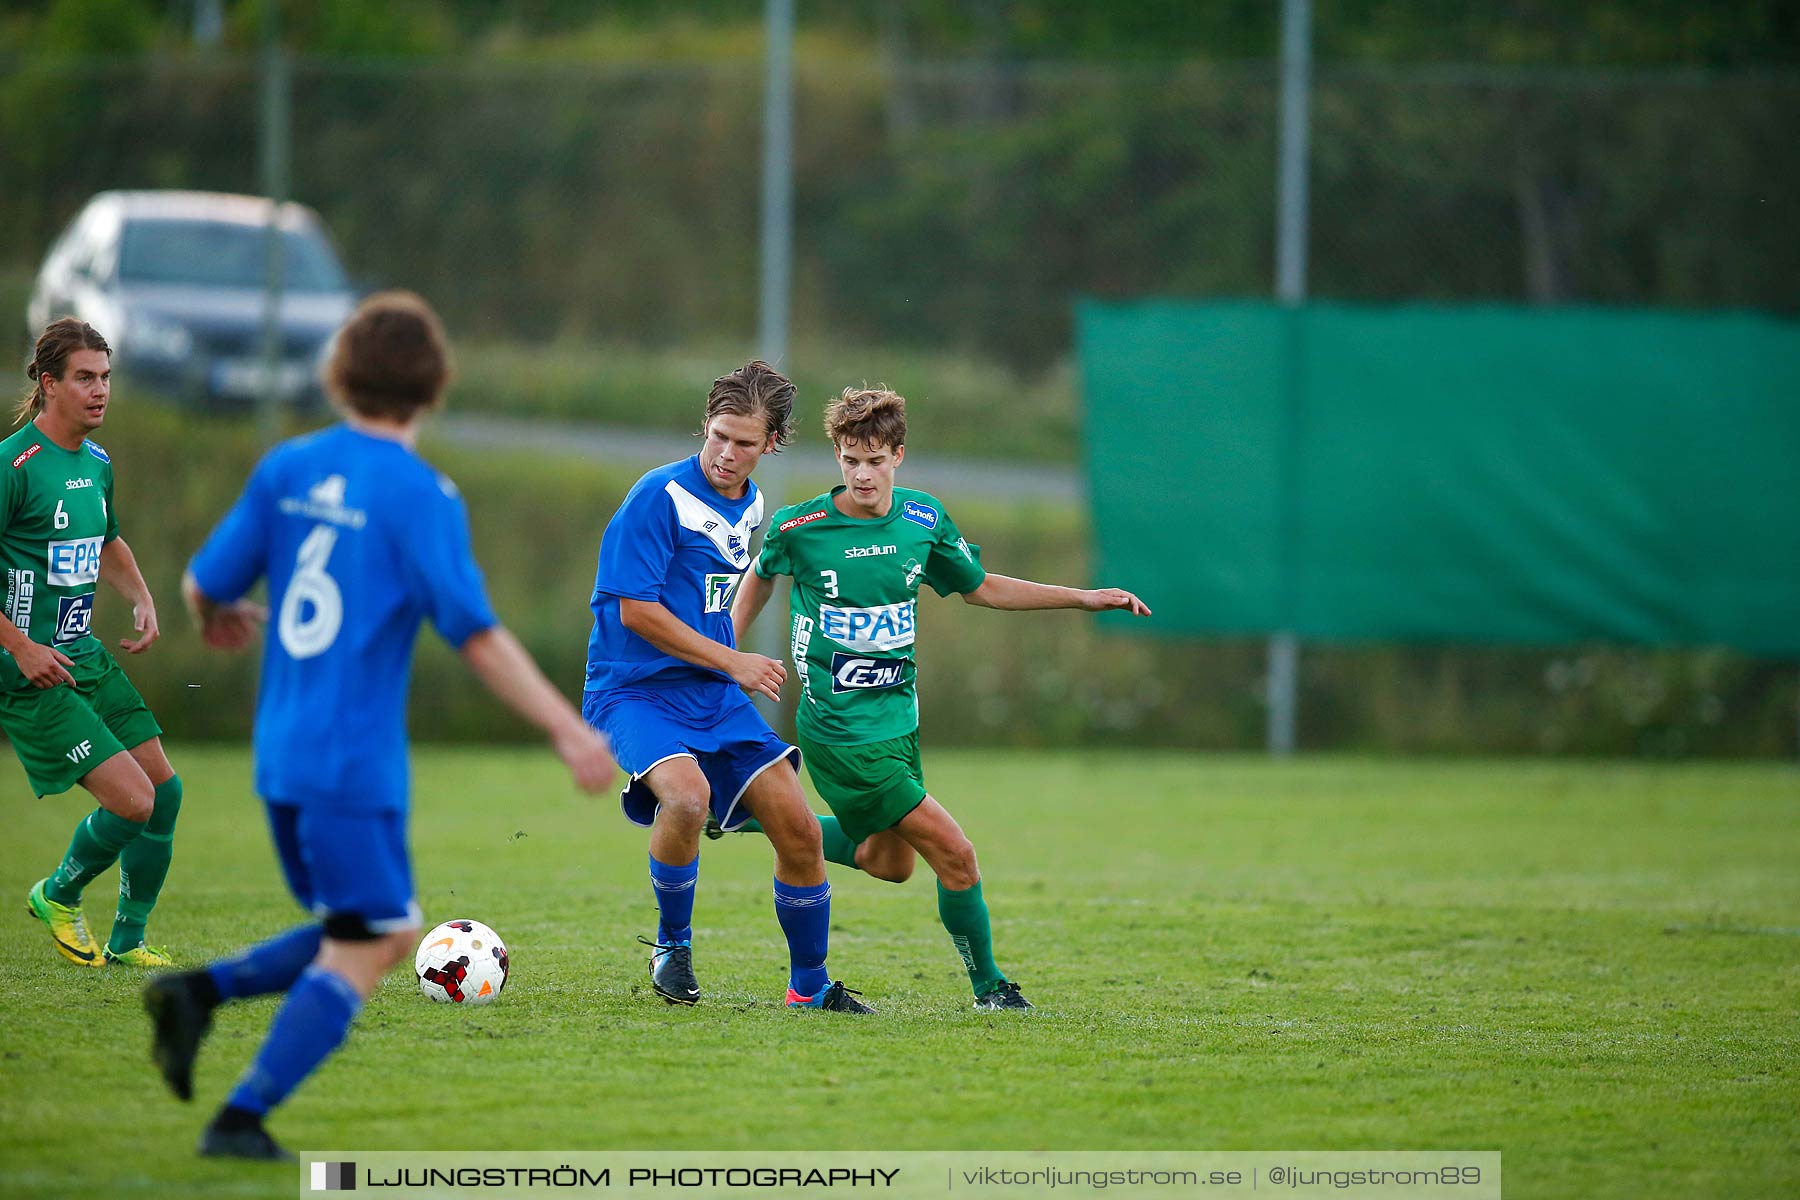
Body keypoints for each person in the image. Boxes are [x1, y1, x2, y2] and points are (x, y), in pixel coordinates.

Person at [142, 292, 616, 1161]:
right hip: (350, 765)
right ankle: (238, 1115)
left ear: (339, 376)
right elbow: (473, 632)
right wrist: (567, 727)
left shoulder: (287, 467)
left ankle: (198, 998)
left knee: (382, 930)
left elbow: (205, 581)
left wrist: (213, 612)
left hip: (280, 754)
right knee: (368, 943)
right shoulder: (419, 495)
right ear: (433, 389)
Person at [730, 386, 1150, 1011]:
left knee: (888, 862)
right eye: (850, 458)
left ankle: (759, 813)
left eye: (874, 459)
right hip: (840, 733)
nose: (861, 473)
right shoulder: (803, 527)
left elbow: (981, 588)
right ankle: (990, 989)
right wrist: (727, 657)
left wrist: (1085, 597)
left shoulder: (924, 520)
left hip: (899, 724)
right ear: (838, 457)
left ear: (898, 455)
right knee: (956, 855)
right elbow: (758, 577)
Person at [582, 360, 872, 1014]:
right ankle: (671, 949)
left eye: (744, 443)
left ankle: (810, 987)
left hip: (710, 694)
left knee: (797, 826)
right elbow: (636, 610)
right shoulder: (658, 497)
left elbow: (714, 594)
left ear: (772, 444)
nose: (726, 453)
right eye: (718, 435)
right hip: (633, 690)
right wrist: (735, 660)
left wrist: (726, 661)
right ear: (705, 428)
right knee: (687, 798)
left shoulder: (752, 505)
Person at [5, 318, 184, 968]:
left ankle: (129, 939)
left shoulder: (98, 464)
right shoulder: (12, 466)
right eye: (85, 377)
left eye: (106, 377)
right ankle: (57, 893)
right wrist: (21, 648)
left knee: (164, 792)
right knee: (133, 801)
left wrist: (140, 595)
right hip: (29, 670)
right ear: (49, 383)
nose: (100, 390)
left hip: (83, 653)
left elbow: (106, 540)